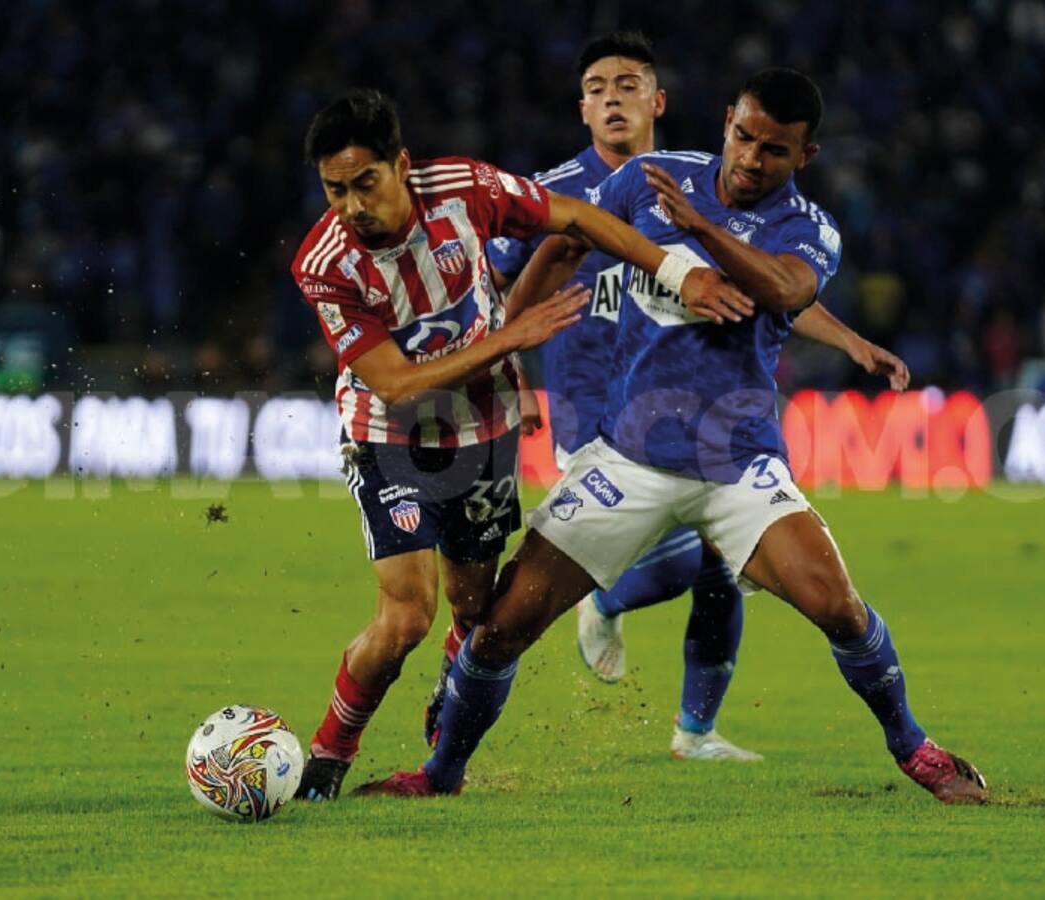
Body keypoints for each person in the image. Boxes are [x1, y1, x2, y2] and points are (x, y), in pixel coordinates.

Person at [357, 69, 988, 804]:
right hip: (627, 460)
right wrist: (506, 342)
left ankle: (915, 750)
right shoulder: (651, 180)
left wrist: (698, 229)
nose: (751, 158)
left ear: (805, 156)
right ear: (727, 121)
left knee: (839, 607)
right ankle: (439, 776)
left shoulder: (807, 228)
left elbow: (784, 291)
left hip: (737, 464)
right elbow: (567, 243)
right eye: (744, 137)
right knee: (500, 629)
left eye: (774, 150)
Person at [289, 88, 749, 801]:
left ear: (401, 166)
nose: (353, 206)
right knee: (407, 616)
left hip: (485, 429)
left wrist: (674, 271)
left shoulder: (464, 189)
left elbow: (579, 218)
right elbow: (396, 385)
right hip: (391, 437)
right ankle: (329, 755)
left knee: (475, 611)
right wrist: (511, 338)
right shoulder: (324, 263)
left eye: (365, 183)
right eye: (335, 190)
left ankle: (452, 691)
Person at [464, 32, 910, 764]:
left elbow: (767, 289)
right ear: (582, 108)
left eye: (629, 85)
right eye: (598, 88)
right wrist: (499, 357)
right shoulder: (562, 189)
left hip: (699, 418)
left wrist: (847, 339)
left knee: (718, 571)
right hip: (595, 409)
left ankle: (695, 731)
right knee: (668, 568)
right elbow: (505, 272)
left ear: (659, 101)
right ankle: (589, 606)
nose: (614, 99)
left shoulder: (676, 182)